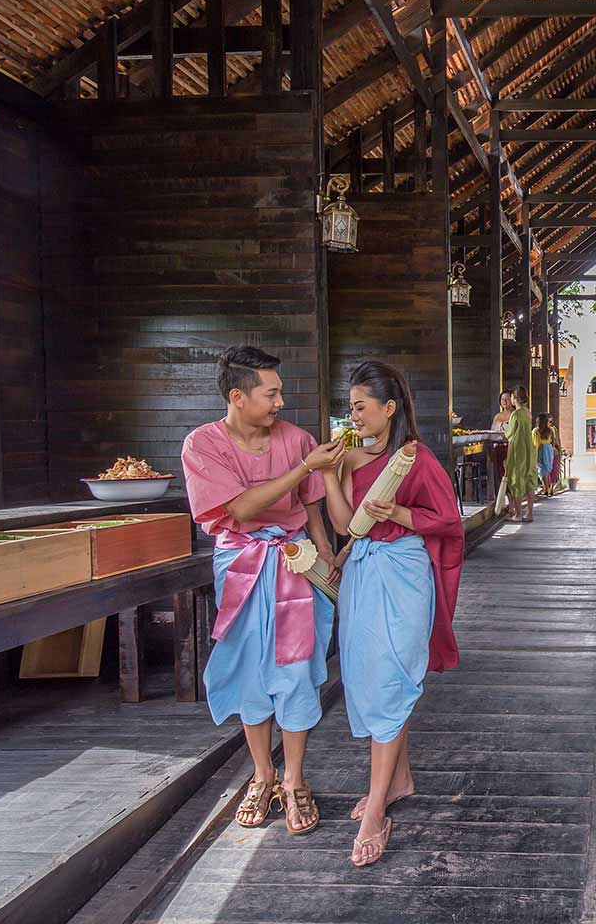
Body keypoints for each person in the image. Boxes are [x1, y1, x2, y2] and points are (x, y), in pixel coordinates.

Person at [180, 346, 343, 836]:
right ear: (238, 395)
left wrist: (328, 558)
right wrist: (302, 469)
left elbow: (312, 508)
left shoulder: (296, 440)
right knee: (252, 670)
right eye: (270, 393)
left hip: (296, 562)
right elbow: (245, 510)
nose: (279, 402)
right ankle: (262, 773)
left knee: (297, 669)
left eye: (280, 391)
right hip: (243, 561)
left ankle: (293, 778)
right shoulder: (202, 444)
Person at [320, 360, 464, 866]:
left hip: (403, 570)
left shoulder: (415, 458)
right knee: (365, 674)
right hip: (362, 569)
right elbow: (344, 526)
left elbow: (447, 517)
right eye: (351, 406)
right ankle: (398, 780)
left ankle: (377, 806)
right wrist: (330, 476)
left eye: (362, 406)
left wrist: (399, 513)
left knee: (392, 678)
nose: (354, 415)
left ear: (389, 408)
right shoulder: (348, 459)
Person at [503, 385, 539, 522]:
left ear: (515, 398)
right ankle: (529, 513)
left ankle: (518, 514)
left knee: (516, 480)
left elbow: (510, 434)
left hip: (518, 449)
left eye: (511, 396)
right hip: (529, 448)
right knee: (529, 480)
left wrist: (503, 432)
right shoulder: (527, 412)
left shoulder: (516, 414)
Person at [533, 412, 559, 497]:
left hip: (540, 449)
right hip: (548, 450)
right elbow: (553, 442)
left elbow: (534, 443)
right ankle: (546, 488)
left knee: (541, 470)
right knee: (546, 469)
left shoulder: (536, 431)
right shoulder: (551, 430)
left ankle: (545, 488)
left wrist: (534, 454)